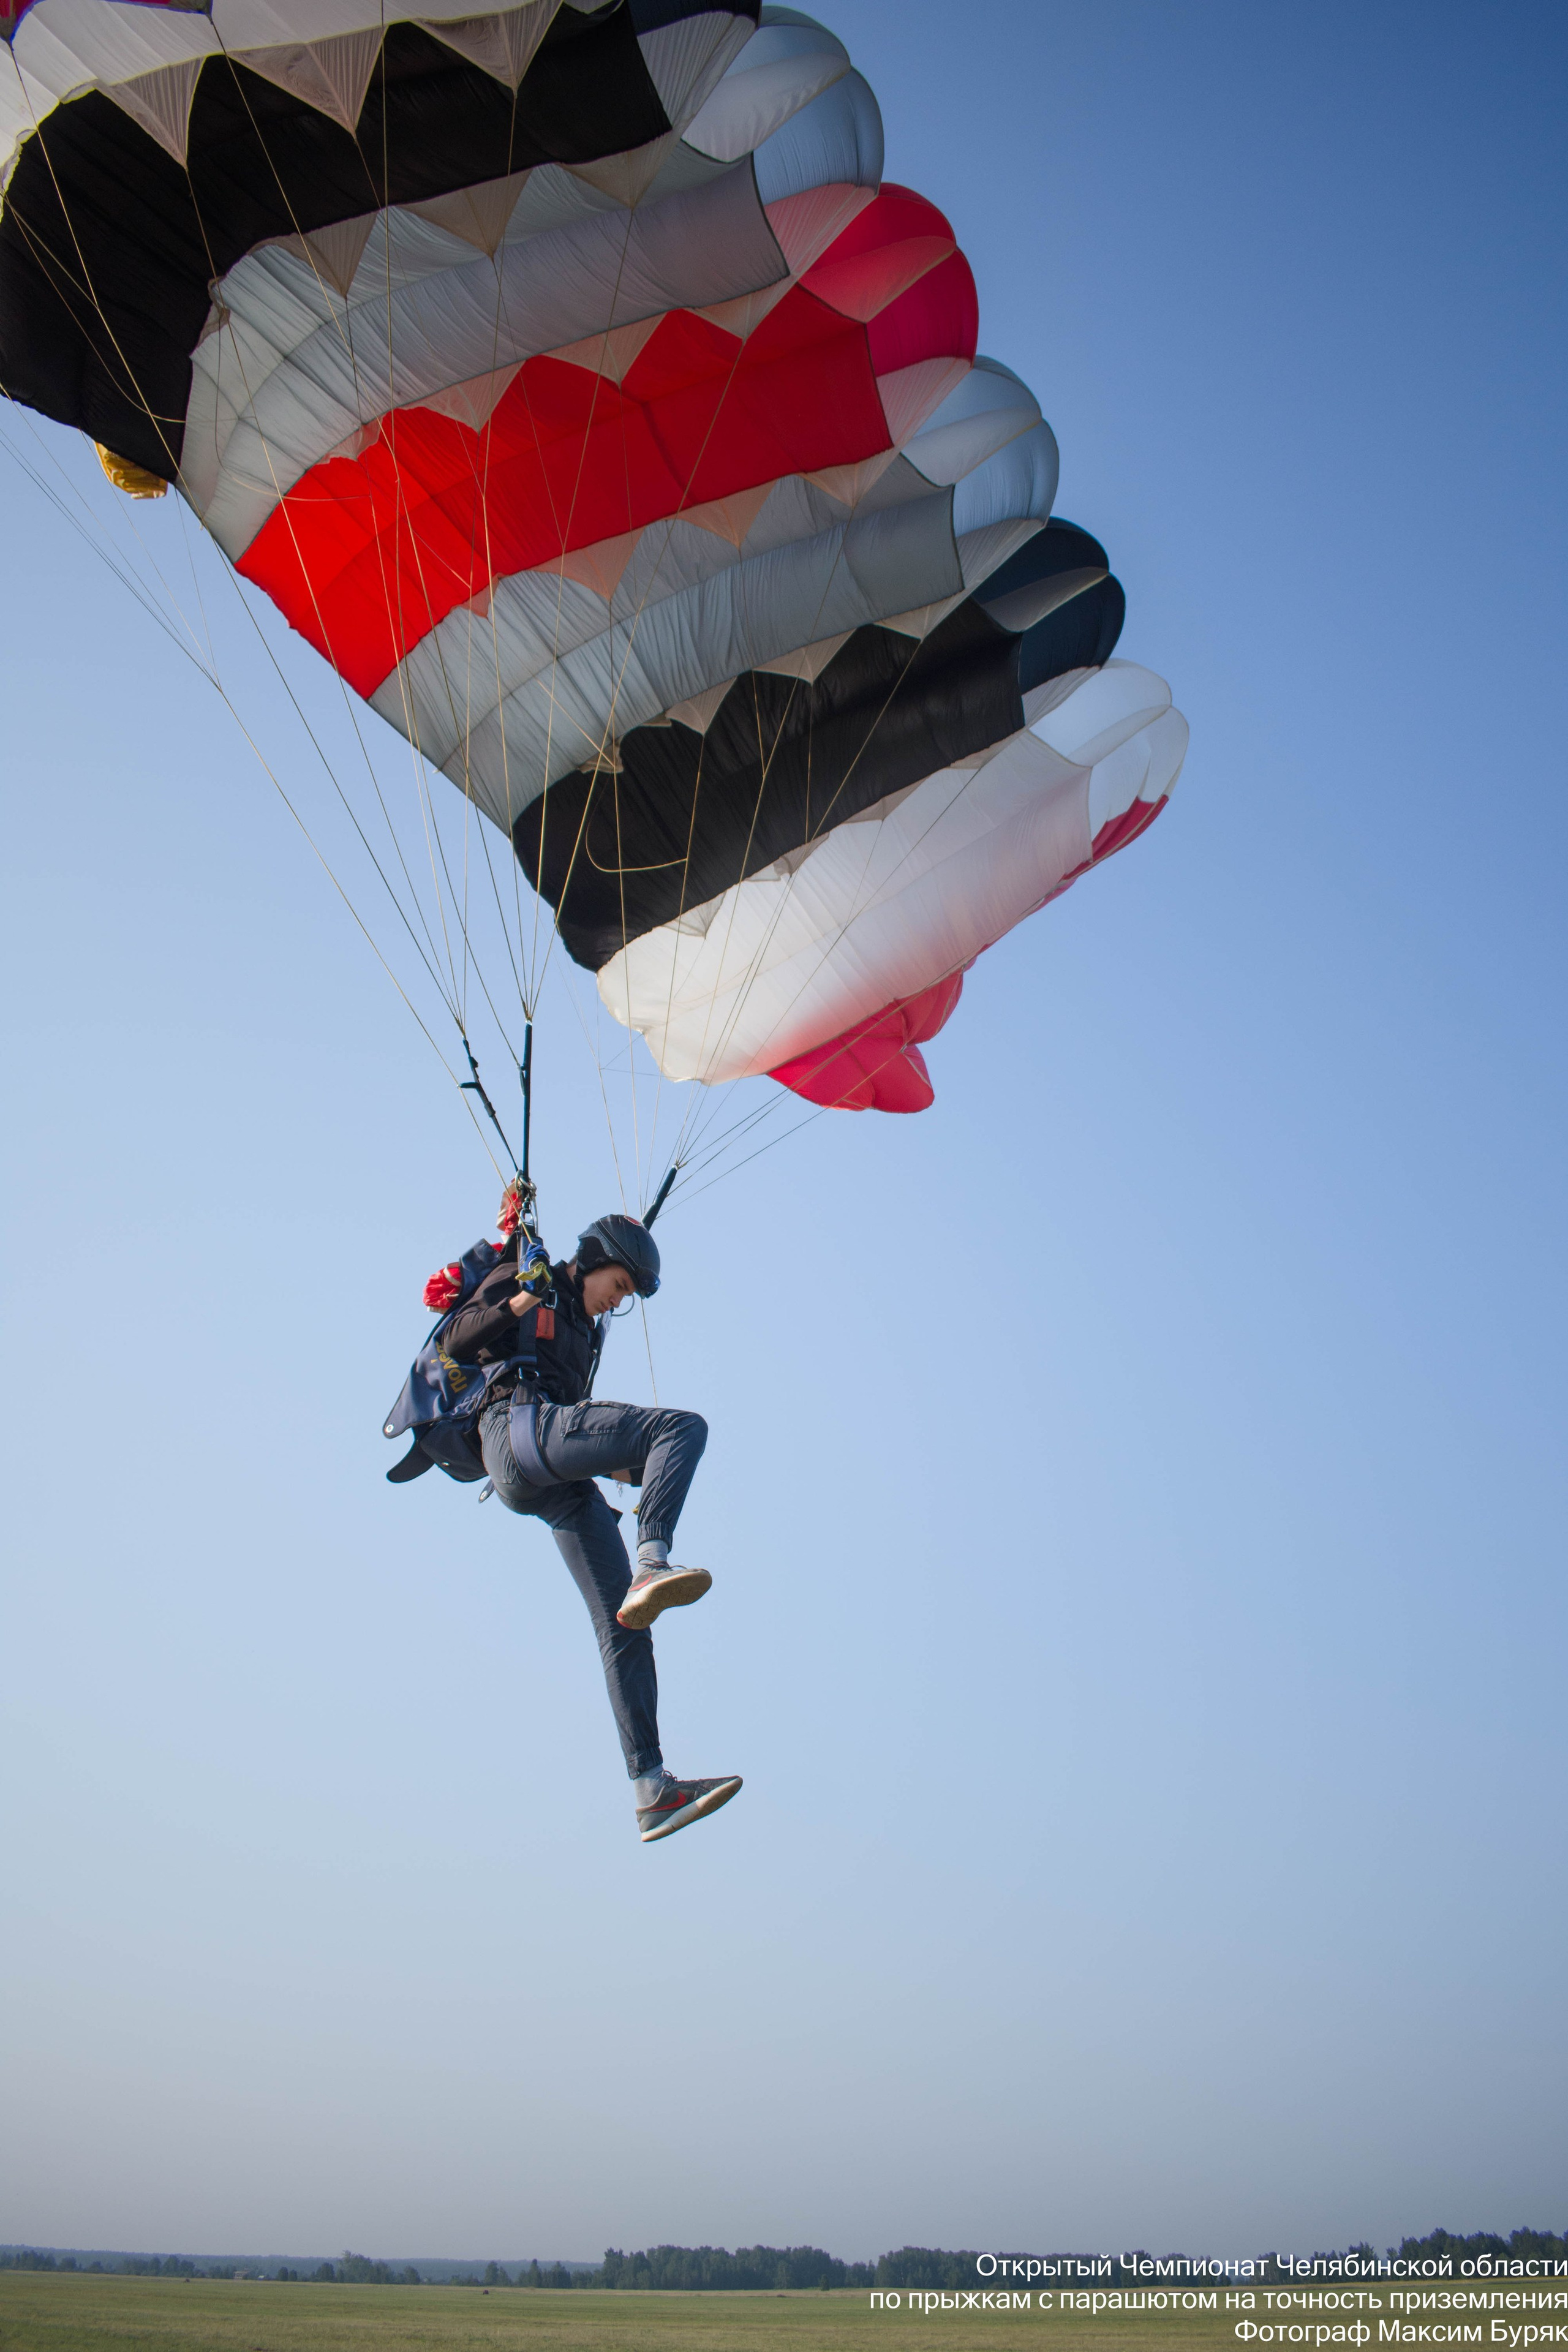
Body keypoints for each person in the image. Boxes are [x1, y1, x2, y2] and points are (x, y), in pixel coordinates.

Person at [409, 1208, 741, 1845]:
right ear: (593, 1260)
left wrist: (645, 1470)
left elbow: (585, 1434)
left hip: (551, 1476)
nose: (619, 1300)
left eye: (627, 1294)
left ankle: (651, 1791)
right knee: (681, 1427)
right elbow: (456, 1343)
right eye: (619, 1284)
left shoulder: (585, 1333)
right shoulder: (527, 1275)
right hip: (514, 1432)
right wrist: (524, 1296)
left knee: (626, 1623)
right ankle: (652, 1560)